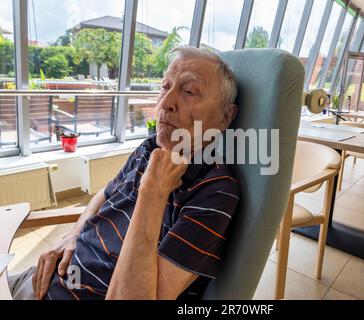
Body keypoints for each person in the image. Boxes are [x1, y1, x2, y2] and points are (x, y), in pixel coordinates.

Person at [8, 47, 240, 300]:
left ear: (225, 117)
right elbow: (105, 193)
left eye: (188, 91)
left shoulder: (215, 193)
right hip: (44, 279)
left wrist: (153, 191)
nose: (164, 103)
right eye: (165, 86)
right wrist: (72, 235)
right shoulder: (149, 148)